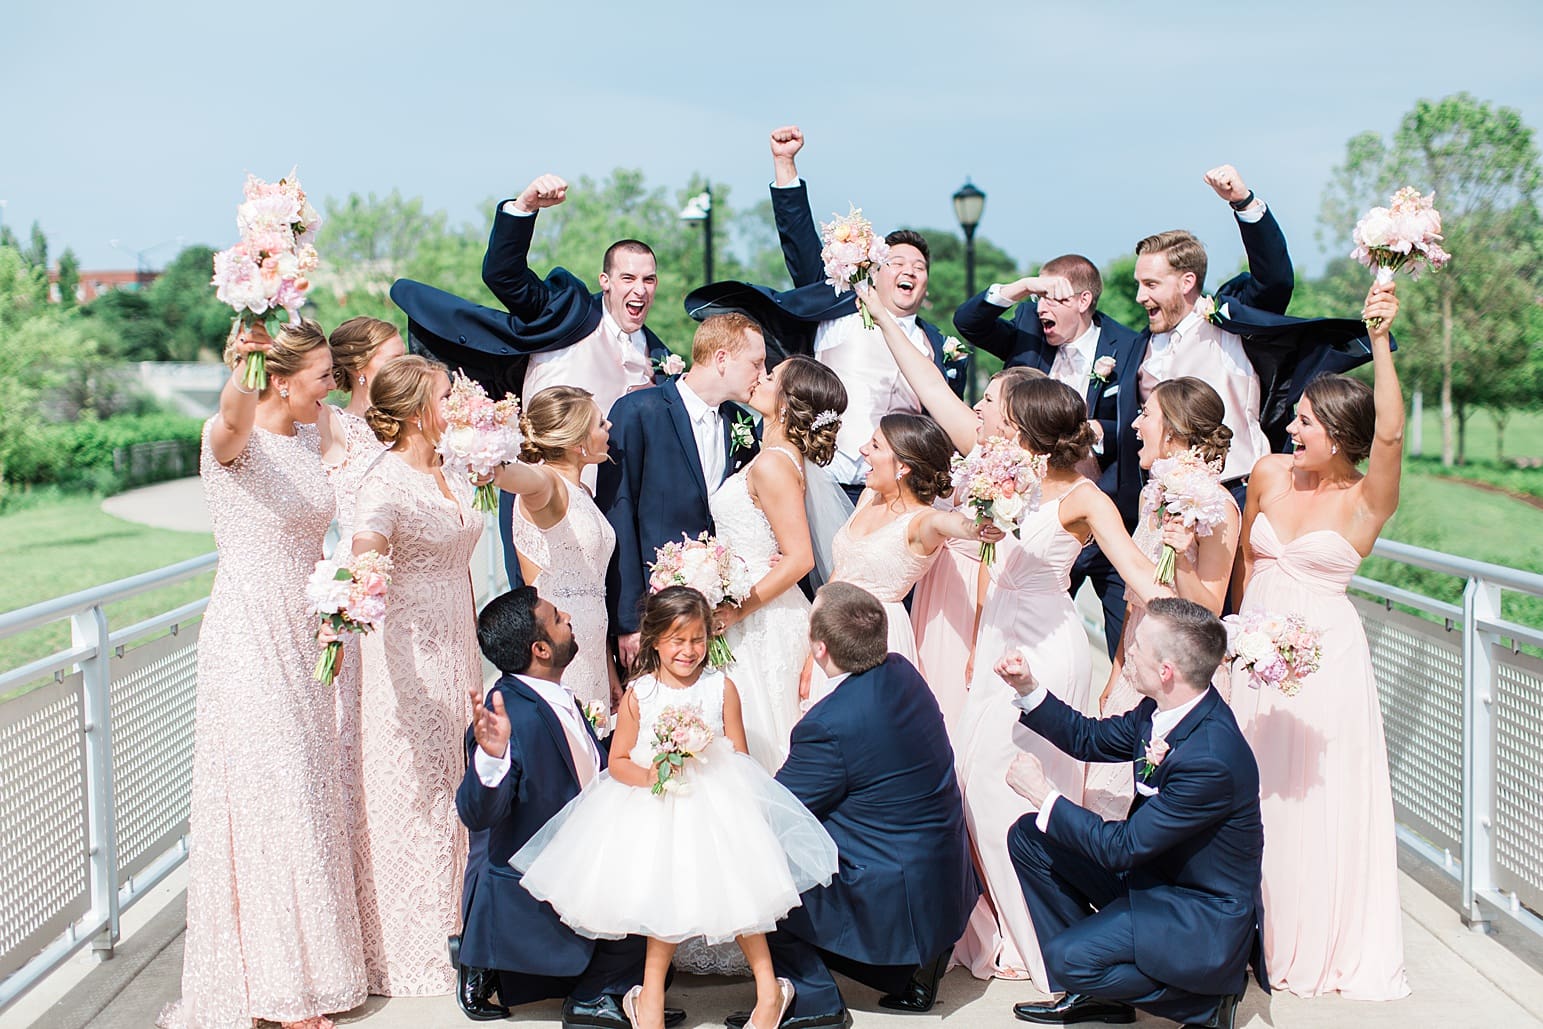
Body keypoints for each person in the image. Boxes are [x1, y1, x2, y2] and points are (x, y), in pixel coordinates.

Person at [160, 320, 365, 1029]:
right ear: (279, 379)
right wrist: (245, 361)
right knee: (268, 793)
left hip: (305, 625)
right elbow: (229, 416)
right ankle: (278, 990)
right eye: (319, 375)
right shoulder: (234, 443)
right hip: (249, 630)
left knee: (303, 788)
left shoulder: (312, 435)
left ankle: (305, 971)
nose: (329, 385)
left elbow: (362, 445)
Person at [513, 587, 839, 1029]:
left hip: (718, 804)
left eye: (698, 639)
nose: (689, 651)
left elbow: (740, 756)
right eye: (677, 640)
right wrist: (654, 776)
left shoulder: (720, 687)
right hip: (658, 807)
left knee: (744, 895)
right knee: (659, 897)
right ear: (654, 641)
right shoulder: (640, 694)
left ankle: (769, 991)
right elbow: (619, 761)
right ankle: (649, 999)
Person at [946, 377, 1168, 985]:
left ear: (1023, 428)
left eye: (996, 408)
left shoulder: (1083, 498)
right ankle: (1005, 922)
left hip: (1047, 645)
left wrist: (1202, 629)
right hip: (998, 638)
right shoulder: (999, 477)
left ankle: (1047, 938)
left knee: (1013, 787)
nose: (985, 416)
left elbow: (1136, 574)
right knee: (973, 777)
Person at [1228, 283, 1410, 1000]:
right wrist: (1234, 639)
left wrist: (1383, 340)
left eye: (1303, 422)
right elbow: (1247, 559)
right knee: (1250, 791)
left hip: (1323, 664)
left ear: (1338, 434)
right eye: (1293, 417)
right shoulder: (1269, 474)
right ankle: (1247, 932)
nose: (1290, 430)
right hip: (1252, 655)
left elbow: (1392, 436)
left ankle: (1307, 937)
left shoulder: (1365, 498)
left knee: (1311, 798)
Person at [1001, 597, 1263, 1029]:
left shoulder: (1211, 757)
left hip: (1196, 911)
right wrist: (1028, 687)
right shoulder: (1165, 710)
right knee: (1031, 836)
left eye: (1137, 646)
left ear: (1166, 671)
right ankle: (1099, 995)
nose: (1128, 654)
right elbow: (1089, 738)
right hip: (1151, 876)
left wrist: (1044, 794)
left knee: (1067, 959)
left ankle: (1203, 1003)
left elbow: (1122, 848)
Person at [454, 587, 689, 1028]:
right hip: (543, 884)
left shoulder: (553, 694)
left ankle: (624, 986)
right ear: (540, 649)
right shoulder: (510, 718)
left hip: (587, 855)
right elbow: (479, 816)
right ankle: (592, 997)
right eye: (558, 617)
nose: (569, 617)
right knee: (657, 899)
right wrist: (491, 759)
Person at [748, 582, 978, 1027]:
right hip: (945, 877)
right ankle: (908, 970)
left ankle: (815, 1002)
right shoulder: (903, 671)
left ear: (819, 649)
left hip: (892, 890)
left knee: (757, 861)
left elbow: (780, 811)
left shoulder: (827, 726)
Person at [1131, 165, 1383, 511]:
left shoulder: (1226, 322)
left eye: (1151, 285)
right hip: (1163, 498)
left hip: (1236, 492)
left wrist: (1243, 203)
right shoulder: (1142, 344)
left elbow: (1275, 280)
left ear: (1187, 282)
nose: (1140, 297)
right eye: (1139, 284)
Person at [347, 355, 480, 996]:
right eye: (445, 395)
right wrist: (360, 580)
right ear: (415, 411)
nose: (454, 403)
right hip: (410, 653)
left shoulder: (453, 466)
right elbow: (364, 550)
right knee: (417, 791)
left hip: (460, 642)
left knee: (459, 784)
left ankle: (465, 925)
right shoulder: (384, 482)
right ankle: (412, 945)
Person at [743, 125, 969, 504]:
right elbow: (800, 244)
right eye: (897, 262)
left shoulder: (935, 345)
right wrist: (785, 164)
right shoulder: (840, 307)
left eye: (919, 266)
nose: (910, 271)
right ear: (876, 270)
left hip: (892, 492)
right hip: (822, 476)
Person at [953, 257, 1143, 657]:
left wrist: (1098, 431)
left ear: (1084, 299)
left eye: (1052, 298)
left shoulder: (1127, 345)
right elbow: (968, 322)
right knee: (1026, 631)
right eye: (1039, 298)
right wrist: (1021, 286)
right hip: (1037, 513)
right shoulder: (1027, 329)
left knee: (1125, 640)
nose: (1042, 308)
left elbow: (1138, 419)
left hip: (1105, 504)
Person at [1085, 377, 1240, 820]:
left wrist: (1184, 558)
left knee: (1157, 813)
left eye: (1146, 415)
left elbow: (1207, 609)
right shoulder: (1156, 496)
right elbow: (1134, 601)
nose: (1134, 424)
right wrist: (1115, 672)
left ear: (1171, 431)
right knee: (1101, 800)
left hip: (1180, 678)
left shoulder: (1216, 507)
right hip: (1136, 667)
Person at [597, 313, 766, 671]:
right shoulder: (639, 411)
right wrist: (628, 622)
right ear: (722, 359)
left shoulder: (740, 422)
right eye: (756, 363)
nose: (762, 375)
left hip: (718, 613)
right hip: (654, 613)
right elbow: (618, 515)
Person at [803, 412, 1000, 707]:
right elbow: (839, 576)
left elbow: (954, 524)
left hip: (875, 636)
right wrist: (812, 651)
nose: (862, 451)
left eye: (875, 446)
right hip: (831, 625)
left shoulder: (923, 522)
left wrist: (979, 527)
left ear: (903, 466)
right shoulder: (869, 497)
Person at [708, 354, 848, 772]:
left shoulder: (773, 463)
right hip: (753, 604)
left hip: (758, 618)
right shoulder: (775, 456)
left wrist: (736, 610)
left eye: (770, 376)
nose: (759, 379)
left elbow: (801, 557)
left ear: (785, 402)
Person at [912, 366, 1044, 731]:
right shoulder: (979, 459)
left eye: (987, 400)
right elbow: (930, 385)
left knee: (947, 709)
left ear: (1012, 416)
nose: (976, 407)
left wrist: (978, 643)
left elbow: (1001, 564)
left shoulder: (1020, 480)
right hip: (936, 590)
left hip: (969, 604)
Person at [323, 316, 405, 861]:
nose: (404, 367)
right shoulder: (328, 427)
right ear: (357, 370)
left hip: (409, 598)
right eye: (392, 359)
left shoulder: (405, 430)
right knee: (352, 735)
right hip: (359, 596)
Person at [487, 385, 617, 712]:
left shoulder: (582, 490)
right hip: (556, 643)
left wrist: (609, 664)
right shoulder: (546, 483)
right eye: (600, 423)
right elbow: (514, 478)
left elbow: (592, 587)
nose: (609, 427)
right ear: (577, 443)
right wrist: (490, 462)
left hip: (592, 643)